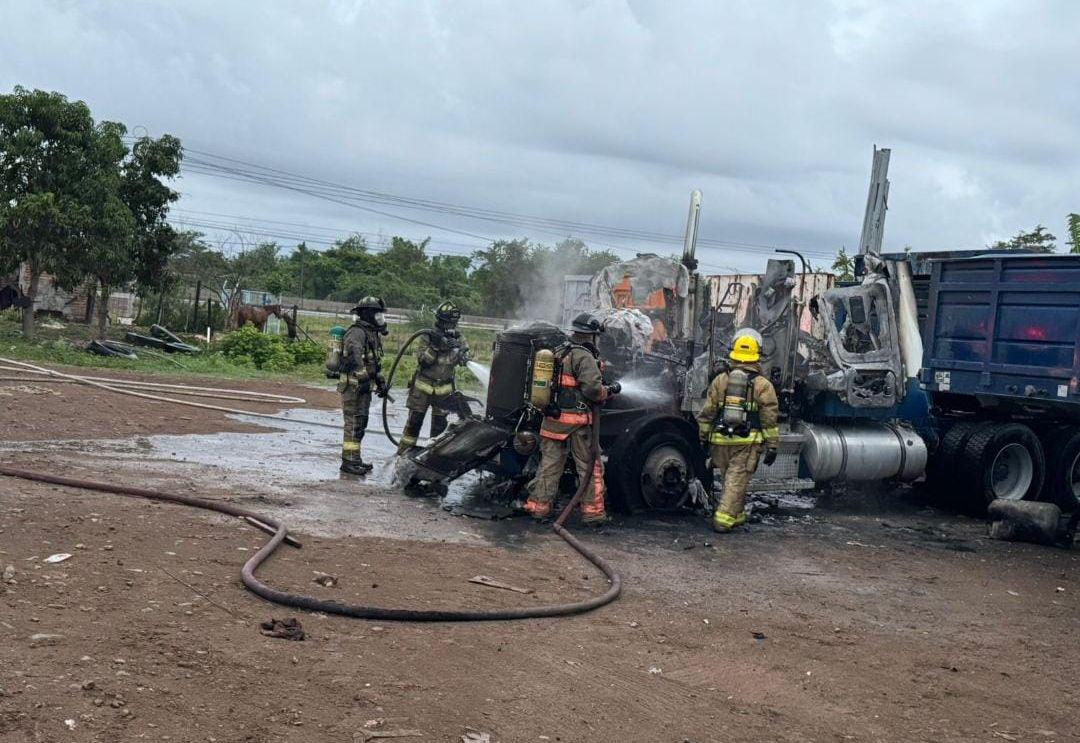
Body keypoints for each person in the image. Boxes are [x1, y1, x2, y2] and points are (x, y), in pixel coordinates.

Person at [524, 312, 621, 525]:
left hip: (552, 421)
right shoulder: (584, 356)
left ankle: (539, 508)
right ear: (591, 335)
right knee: (590, 467)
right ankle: (593, 513)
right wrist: (609, 390)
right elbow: (593, 390)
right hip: (576, 423)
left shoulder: (559, 351)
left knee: (549, 466)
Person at [697, 332, 780, 533]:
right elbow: (769, 419)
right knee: (736, 481)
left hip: (720, 441)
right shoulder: (763, 385)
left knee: (732, 479)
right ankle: (723, 521)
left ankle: (738, 515)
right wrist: (772, 446)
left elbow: (708, 411)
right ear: (757, 356)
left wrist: (703, 438)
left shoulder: (721, 380)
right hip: (746, 443)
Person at [397, 300, 470, 454]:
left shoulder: (459, 338)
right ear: (440, 321)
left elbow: (466, 358)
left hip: (444, 391)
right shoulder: (428, 336)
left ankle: (431, 457)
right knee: (414, 423)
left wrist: (459, 349)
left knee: (439, 428)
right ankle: (402, 454)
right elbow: (423, 361)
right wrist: (435, 346)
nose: (451, 326)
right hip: (422, 388)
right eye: (448, 323)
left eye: (453, 323)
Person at [338, 296, 390, 475]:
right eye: (377, 314)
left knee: (361, 423)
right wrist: (365, 378)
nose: (380, 318)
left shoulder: (371, 333)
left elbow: (371, 361)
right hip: (353, 386)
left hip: (364, 386)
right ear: (368, 314)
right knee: (353, 423)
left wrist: (379, 379)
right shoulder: (356, 333)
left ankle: (355, 458)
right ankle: (348, 462)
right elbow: (354, 358)